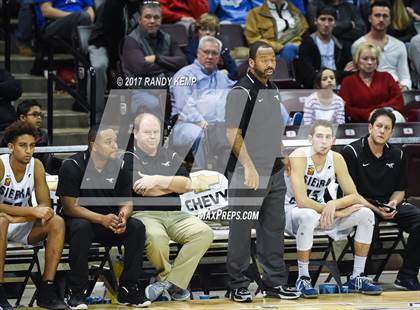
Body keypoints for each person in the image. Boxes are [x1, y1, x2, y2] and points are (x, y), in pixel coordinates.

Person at [224, 41, 300, 302]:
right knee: (241, 231)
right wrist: (248, 166)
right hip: (248, 173)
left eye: (273, 60)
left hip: (274, 171)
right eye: (264, 60)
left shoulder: (274, 88)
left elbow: (272, 127)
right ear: (252, 63)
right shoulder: (240, 92)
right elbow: (232, 134)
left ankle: (274, 283)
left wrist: (283, 153)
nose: (270, 64)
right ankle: (238, 284)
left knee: (273, 230)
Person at [285, 120, 382, 298]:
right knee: (307, 215)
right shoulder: (298, 156)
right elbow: (301, 201)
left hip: (322, 214)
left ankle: (357, 276)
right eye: (319, 136)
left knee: (366, 214)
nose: (323, 141)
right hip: (292, 212)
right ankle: (303, 277)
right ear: (310, 139)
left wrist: (334, 204)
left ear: (333, 140)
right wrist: (336, 212)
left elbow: (353, 195)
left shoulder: (336, 158)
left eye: (328, 137)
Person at [56, 125, 150, 309]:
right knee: (81, 227)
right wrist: (101, 219)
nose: (115, 145)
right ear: (94, 146)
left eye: (115, 140)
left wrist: (122, 217)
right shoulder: (72, 166)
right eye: (109, 142)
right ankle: (77, 292)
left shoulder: (119, 166)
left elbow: (127, 201)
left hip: (108, 224)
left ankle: (127, 288)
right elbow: (70, 207)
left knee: (136, 227)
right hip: (79, 224)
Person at [128, 112, 213, 302]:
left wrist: (156, 180)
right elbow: (141, 190)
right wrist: (170, 185)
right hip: (144, 214)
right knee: (156, 237)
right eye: (147, 132)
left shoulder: (171, 154)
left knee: (204, 233)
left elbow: (186, 184)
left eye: (156, 132)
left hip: (177, 215)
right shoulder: (127, 157)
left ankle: (167, 284)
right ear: (136, 133)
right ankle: (170, 281)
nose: (152, 136)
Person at [342, 108, 420, 291]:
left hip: (388, 203)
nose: (382, 131)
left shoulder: (397, 154)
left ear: (392, 132)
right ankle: (361, 276)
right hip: (360, 203)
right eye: (378, 126)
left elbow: (400, 190)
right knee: (367, 218)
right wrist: (377, 210)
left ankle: (406, 276)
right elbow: (350, 194)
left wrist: (392, 204)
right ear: (370, 128)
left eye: (387, 128)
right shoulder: (351, 151)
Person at [0, 121, 66, 310]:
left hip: (19, 223)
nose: (28, 151)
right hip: (2, 224)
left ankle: (46, 290)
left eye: (32, 145)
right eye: (23, 145)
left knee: (57, 221)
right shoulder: (1, 165)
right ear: (11, 147)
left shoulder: (36, 165)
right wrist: (29, 211)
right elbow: (34, 210)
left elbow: (45, 205)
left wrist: (19, 217)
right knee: (1, 221)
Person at [170, 36, 235, 170]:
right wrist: (202, 122)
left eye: (214, 53)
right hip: (187, 124)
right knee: (199, 133)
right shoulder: (184, 75)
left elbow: (237, 94)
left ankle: (229, 173)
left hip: (218, 127)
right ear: (198, 52)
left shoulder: (222, 77)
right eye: (206, 52)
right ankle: (204, 173)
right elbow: (185, 106)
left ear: (219, 57)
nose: (210, 56)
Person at [121, 1, 187, 115]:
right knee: (154, 104)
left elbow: (182, 62)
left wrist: (157, 59)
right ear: (140, 20)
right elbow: (141, 68)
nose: (152, 21)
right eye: (148, 17)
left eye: (156, 17)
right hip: (141, 91)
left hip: (167, 89)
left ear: (161, 20)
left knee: (187, 98)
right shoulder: (131, 41)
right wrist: (169, 65)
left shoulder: (168, 38)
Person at [351, 0, 412, 90]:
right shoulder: (358, 44)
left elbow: (405, 77)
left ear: (390, 19)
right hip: (369, 90)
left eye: (385, 16)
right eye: (377, 15)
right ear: (370, 18)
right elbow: (358, 76)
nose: (381, 19)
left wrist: (405, 87)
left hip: (396, 90)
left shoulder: (399, 45)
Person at [339, 42, 404, 122]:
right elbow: (345, 107)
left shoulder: (386, 77)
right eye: (365, 59)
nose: (370, 62)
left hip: (386, 119)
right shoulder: (348, 81)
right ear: (357, 60)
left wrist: (379, 111)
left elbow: (398, 100)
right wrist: (368, 114)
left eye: (373, 59)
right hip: (359, 124)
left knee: (396, 116)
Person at [295, 6, 352, 88]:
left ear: (335, 23)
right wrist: (340, 73)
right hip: (315, 89)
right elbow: (307, 76)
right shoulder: (307, 44)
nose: (326, 24)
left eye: (330, 20)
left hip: (339, 88)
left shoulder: (342, 45)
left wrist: (320, 72)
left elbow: (349, 74)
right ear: (315, 21)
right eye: (322, 19)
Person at [245, 0, 309, 64]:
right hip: (270, 54)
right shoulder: (254, 14)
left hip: (297, 48)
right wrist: (279, 47)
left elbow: (305, 31)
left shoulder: (295, 12)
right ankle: (279, 72)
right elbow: (253, 40)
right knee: (289, 48)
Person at [184, 13, 238, 80]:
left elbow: (234, 71)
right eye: (204, 29)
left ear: (216, 32)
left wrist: (225, 78)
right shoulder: (191, 48)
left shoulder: (220, 47)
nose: (207, 33)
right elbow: (196, 70)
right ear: (197, 31)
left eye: (211, 30)